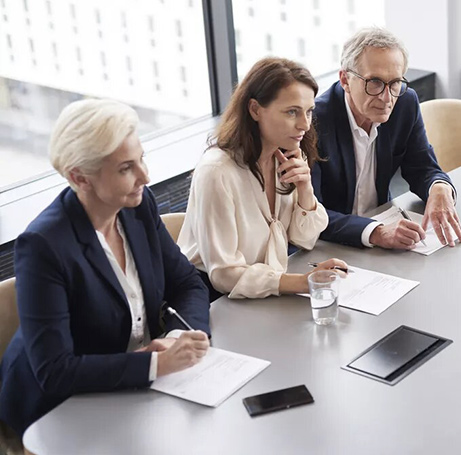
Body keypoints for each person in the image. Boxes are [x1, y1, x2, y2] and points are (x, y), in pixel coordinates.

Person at [0, 99, 211, 441]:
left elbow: (188, 284)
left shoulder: (137, 209)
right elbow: (55, 372)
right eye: (126, 168)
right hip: (59, 407)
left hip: (136, 387)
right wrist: (156, 365)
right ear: (79, 177)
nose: (145, 176)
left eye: (141, 158)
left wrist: (174, 340)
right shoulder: (42, 246)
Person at [178, 57, 346, 301]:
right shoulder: (217, 172)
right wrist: (304, 282)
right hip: (215, 301)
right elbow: (224, 275)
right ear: (255, 109)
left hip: (264, 292)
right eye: (292, 112)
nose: (304, 125)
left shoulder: (285, 154)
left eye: (309, 112)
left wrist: (305, 188)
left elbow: (305, 239)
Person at [312, 27, 461, 250]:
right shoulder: (314, 121)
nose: (386, 98)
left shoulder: (404, 103)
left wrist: (439, 187)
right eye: (374, 82)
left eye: (395, 82)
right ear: (345, 80)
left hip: (383, 236)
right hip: (329, 246)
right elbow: (310, 213)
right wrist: (376, 231)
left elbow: (422, 167)